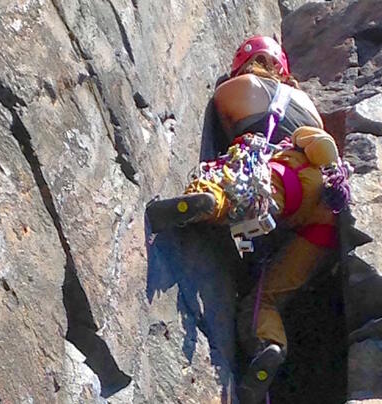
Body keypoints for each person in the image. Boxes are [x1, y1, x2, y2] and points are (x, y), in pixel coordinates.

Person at [146, 36, 351, 404]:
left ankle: (209, 201)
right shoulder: (309, 108)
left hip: (279, 177)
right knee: (265, 297)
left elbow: (231, 139)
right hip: (323, 211)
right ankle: (269, 347)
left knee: (232, 171)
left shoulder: (236, 88)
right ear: (284, 71)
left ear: (242, 63)